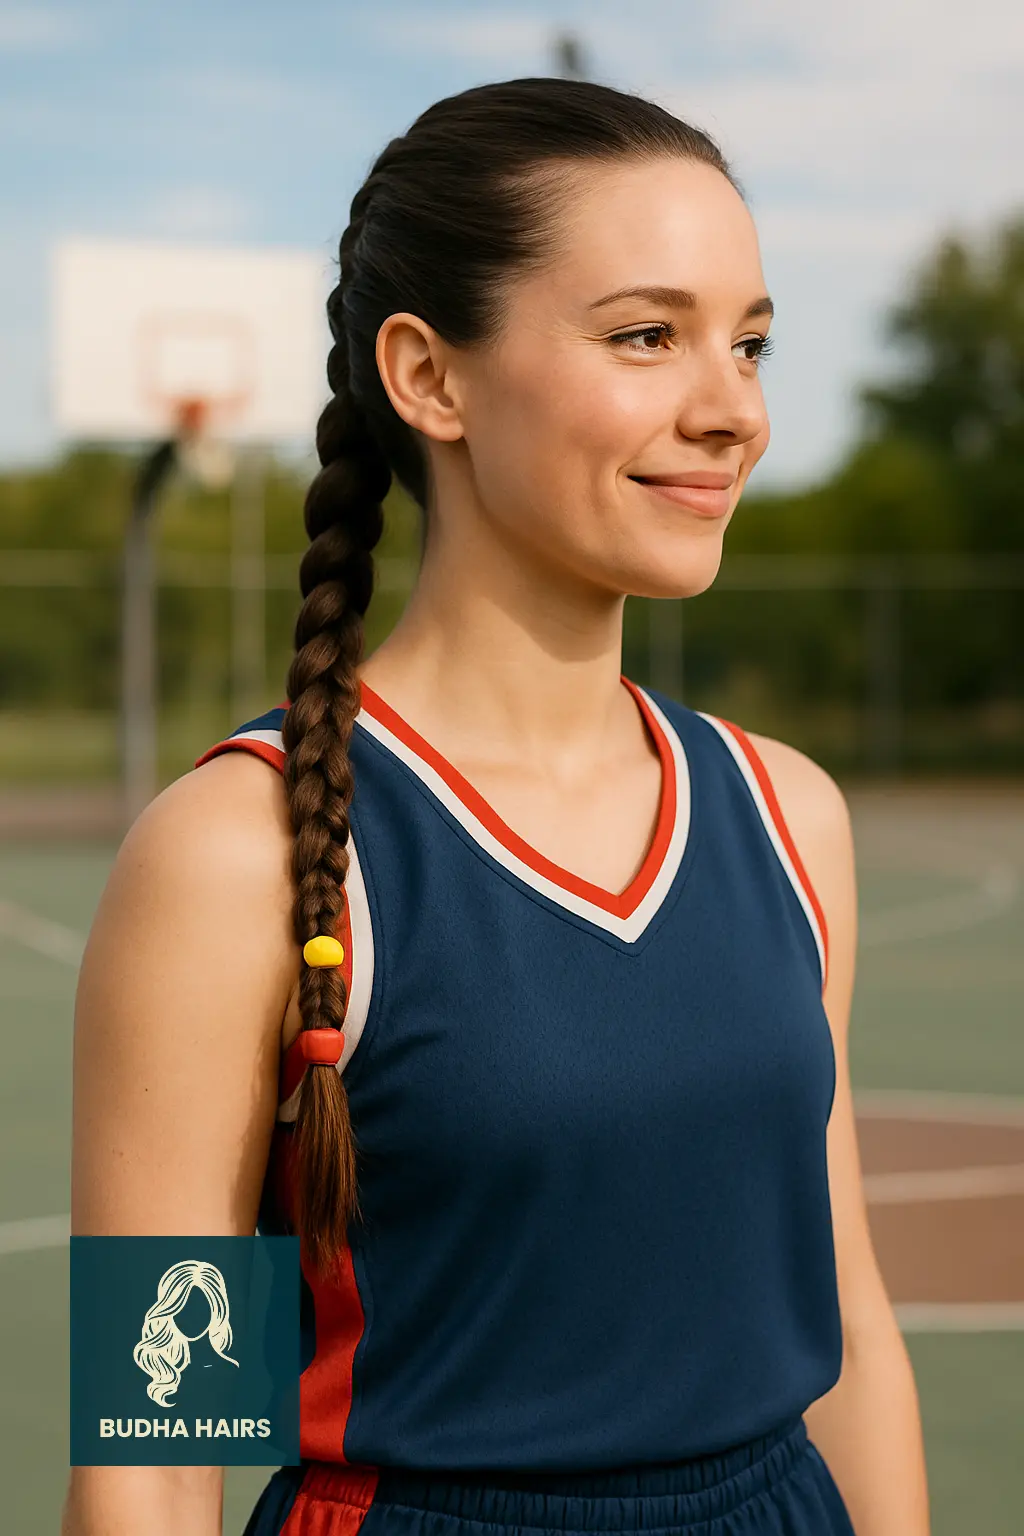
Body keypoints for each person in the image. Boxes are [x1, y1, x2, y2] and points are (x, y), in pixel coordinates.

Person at [64, 77, 931, 1536]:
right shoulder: (241, 855)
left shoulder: (791, 816)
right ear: (430, 377)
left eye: (753, 344)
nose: (731, 411)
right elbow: (153, 1447)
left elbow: (843, 1309)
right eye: (647, 336)